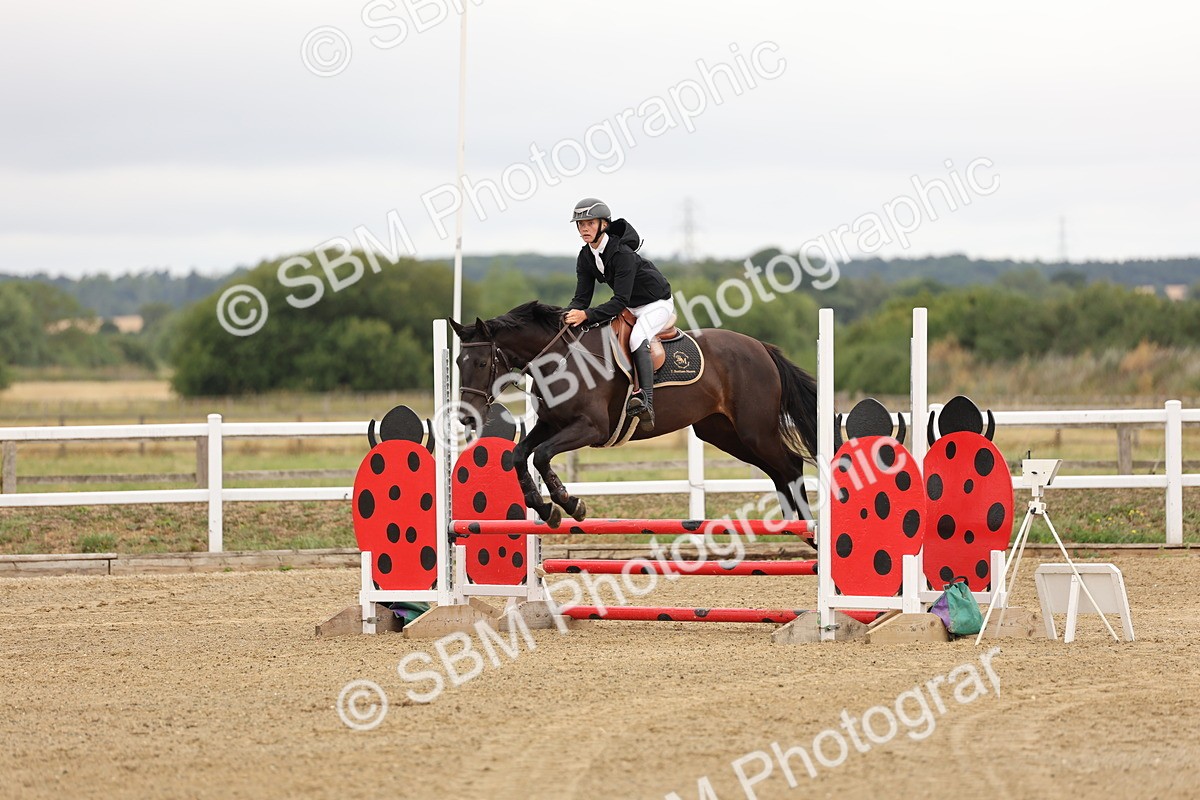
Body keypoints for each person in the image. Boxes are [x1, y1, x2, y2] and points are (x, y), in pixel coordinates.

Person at [562, 197, 674, 432]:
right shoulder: (585, 256)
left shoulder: (621, 253)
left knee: (636, 339)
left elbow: (619, 300)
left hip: (656, 303)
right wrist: (566, 316)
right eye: (580, 224)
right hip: (630, 307)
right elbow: (582, 298)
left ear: (604, 224)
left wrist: (587, 315)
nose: (584, 229)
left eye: (590, 223)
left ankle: (646, 400)